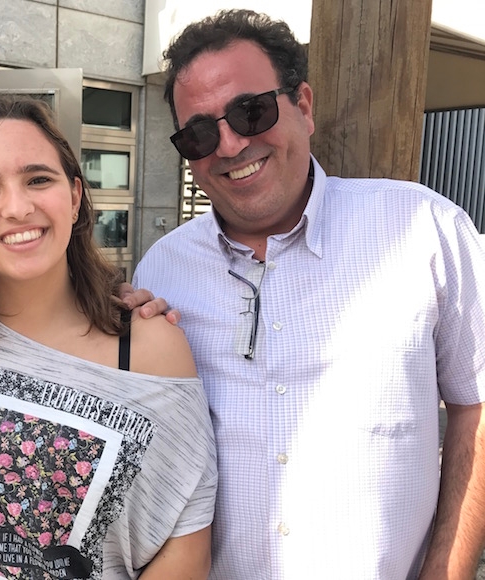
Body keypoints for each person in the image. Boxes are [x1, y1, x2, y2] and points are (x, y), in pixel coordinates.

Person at [130, 8, 485, 579]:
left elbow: (479, 406)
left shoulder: (424, 229)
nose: (227, 145)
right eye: (197, 133)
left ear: (304, 105)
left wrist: (447, 570)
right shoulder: (162, 270)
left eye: (251, 111)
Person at [0, 98, 217, 579]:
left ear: (74, 196)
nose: (18, 207)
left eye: (38, 179)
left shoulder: (147, 346)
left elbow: (186, 547)